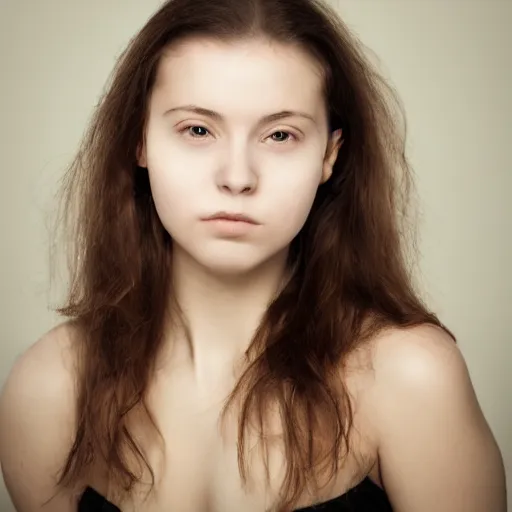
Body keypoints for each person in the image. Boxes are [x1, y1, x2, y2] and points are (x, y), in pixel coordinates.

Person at [0, 0, 506, 511]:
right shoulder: (50, 391)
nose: (237, 177)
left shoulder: (410, 379)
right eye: (198, 130)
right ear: (140, 142)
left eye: (279, 135)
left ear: (329, 156)